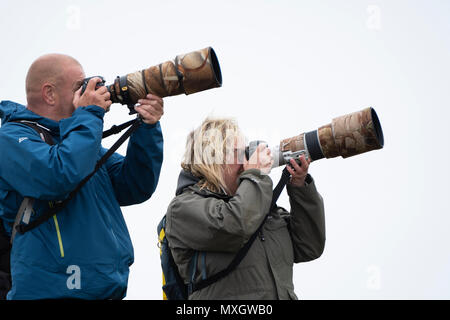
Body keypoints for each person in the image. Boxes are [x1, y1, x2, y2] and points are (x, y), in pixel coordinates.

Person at [0, 54, 164, 299]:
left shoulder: (79, 143)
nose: (90, 90)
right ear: (50, 94)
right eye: (80, 85)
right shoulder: (11, 139)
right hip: (49, 293)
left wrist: (147, 128)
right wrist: (88, 114)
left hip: (106, 291)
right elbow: (57, 176)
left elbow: (135, 185)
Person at [165, 118, 326, 299]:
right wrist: (255, 176)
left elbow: (308, 246)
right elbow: (234, 226)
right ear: (212, 158)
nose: (246, 161)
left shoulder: (256, 204)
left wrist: (300, 187)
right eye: (239, 153)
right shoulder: (182, 209)